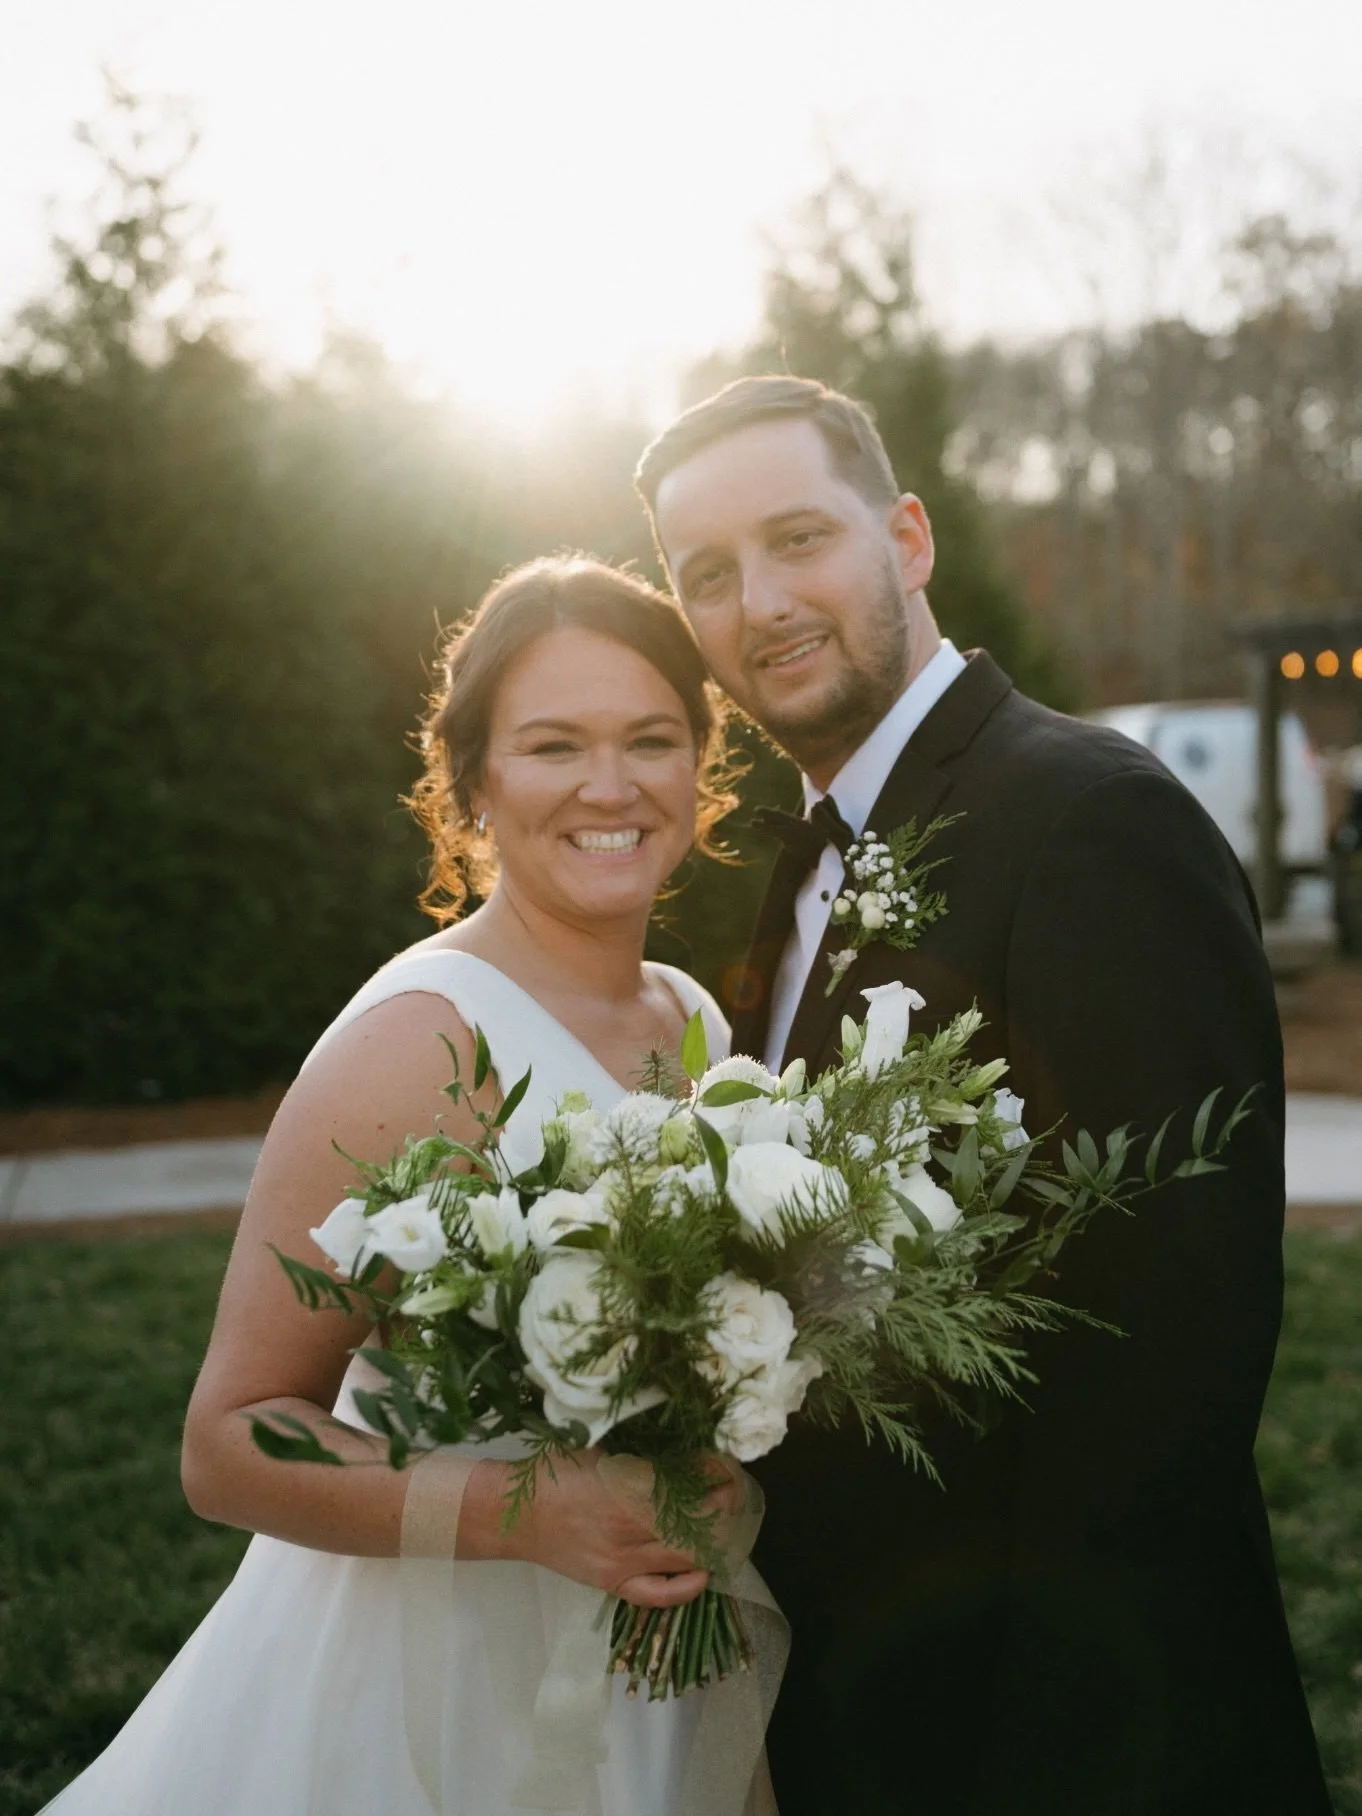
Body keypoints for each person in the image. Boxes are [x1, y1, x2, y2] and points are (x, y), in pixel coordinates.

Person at [636, 376, 1331, 1816]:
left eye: (796, 538)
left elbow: (1163, 1368)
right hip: (861, 1696)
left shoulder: (1090, 820)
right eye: (708, 574)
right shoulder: (798, 863)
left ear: (906, 536)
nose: (759, 603)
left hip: (1061, 1731)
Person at [39, 558, 762, 1816]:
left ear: (701, 767)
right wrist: (525, 1515)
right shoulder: (416, 1044)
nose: (611, 784)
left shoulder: (689, 1019)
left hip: (649, 1662)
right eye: (553, 745)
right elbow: (228, 1441)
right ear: (475, 781)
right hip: (432, 1684)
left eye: (652, 738)